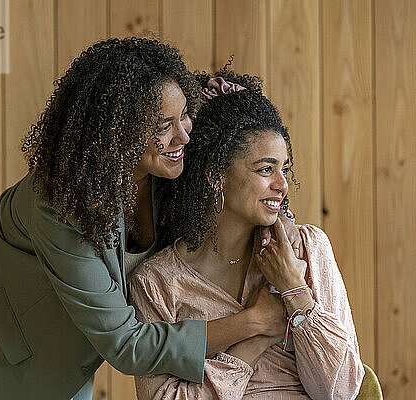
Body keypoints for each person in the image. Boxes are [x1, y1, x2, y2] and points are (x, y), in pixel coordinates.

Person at [0, 39, 301, 400]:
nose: (184, 136)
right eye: (163, 127)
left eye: (186, 115)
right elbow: (126, 344)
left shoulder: (169, 172)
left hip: (63, 349)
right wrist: (254, 322)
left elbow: (248, 174)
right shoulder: (62, 203)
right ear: (117, 133)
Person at [129, 72, 365, 399]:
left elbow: (340, 392)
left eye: (285, 169)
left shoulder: (308, 248)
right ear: (216, 175)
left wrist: (294, 291)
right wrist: (258, 334)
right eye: (266, 169)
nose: (282, 184)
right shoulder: (156, 284)